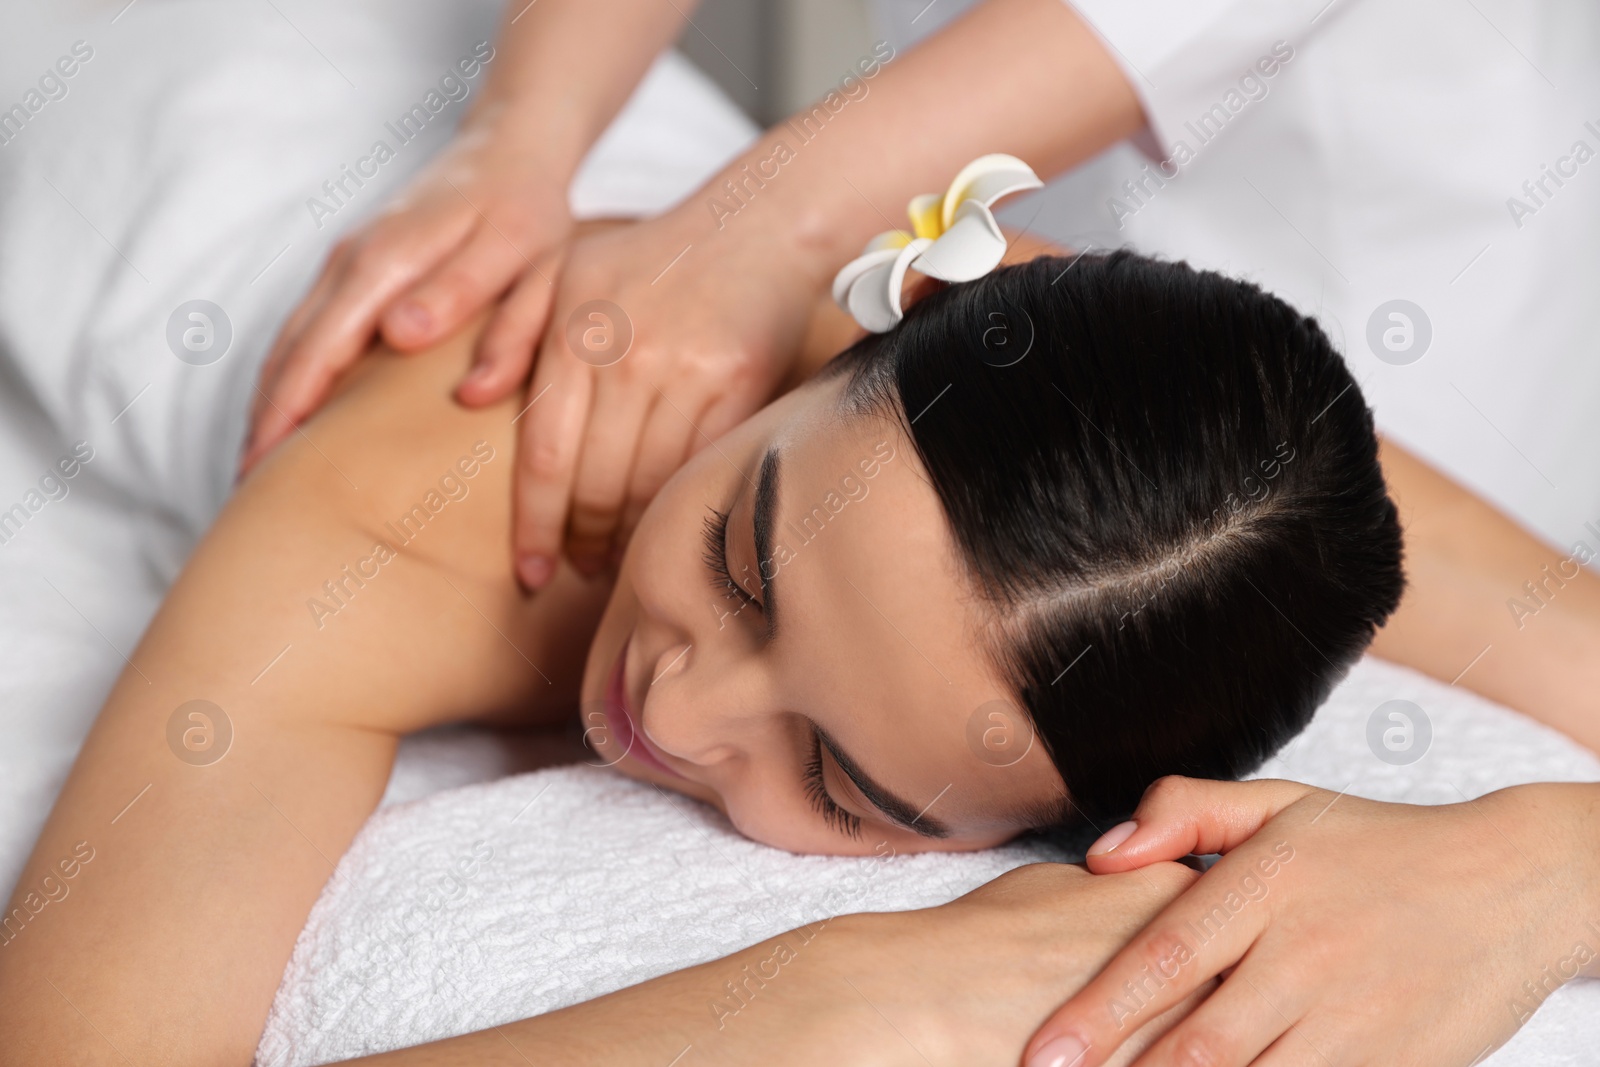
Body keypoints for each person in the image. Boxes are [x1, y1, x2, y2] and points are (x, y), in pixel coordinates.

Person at [3, 230, 1412, 1062]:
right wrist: (828, 999)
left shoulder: (1214, 492)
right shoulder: (384, 535)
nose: (678, 710)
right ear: (877, 325)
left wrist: (1527, 858)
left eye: (840, 784)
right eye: (744, 562)